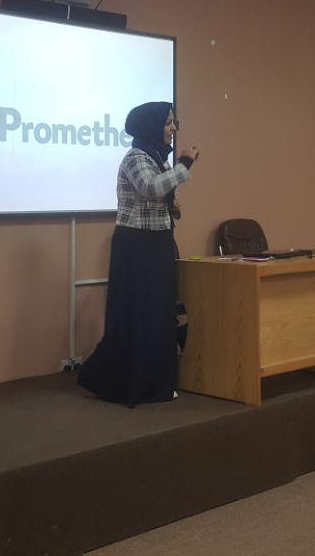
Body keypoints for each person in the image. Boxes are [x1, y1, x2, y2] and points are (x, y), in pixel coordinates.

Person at [78, 102, 200, 407]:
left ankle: (157, 382)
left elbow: (164, 198)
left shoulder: (159, 159)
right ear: (151, 125)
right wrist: (184, 166)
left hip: (158, 242)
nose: (173, 129)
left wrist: (174, 206)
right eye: (169, 123)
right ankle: (127, 382)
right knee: (139, 314)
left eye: (174, 123)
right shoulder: (135, 157)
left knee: (159, 313)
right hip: (135, 246)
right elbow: (150, 188)